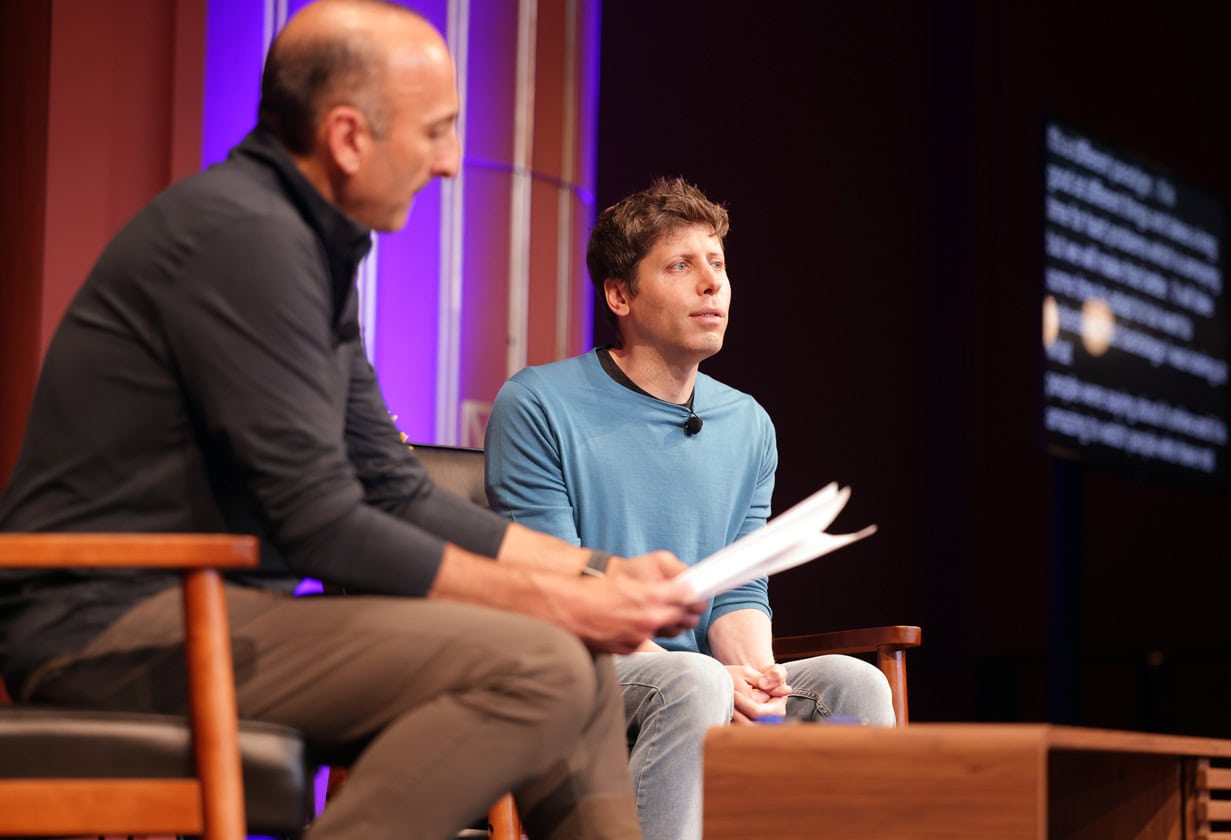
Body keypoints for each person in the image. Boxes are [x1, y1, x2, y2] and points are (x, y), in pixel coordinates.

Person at [0, 3, 704, 839]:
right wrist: (555, 602)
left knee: (573, 658)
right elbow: (324, 521)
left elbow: (393, 486)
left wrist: (592, 576)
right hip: (107, 626)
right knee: (543, 664)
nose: (449, 163)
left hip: (203, 610)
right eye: (438, 131)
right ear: (346, 137)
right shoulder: (244, 240)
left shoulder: (304, 249)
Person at [484, 177, 896, 840]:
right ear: (621, 295)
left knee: (854, 687)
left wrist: (753, 676)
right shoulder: (538, 404)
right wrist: (709, 674)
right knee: (693, 682)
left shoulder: (748, 423)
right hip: (581, 664)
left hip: (696, 672)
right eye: (682, 265)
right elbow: (558, 583)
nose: (713, 284)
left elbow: (740, 590)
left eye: (719, 265)